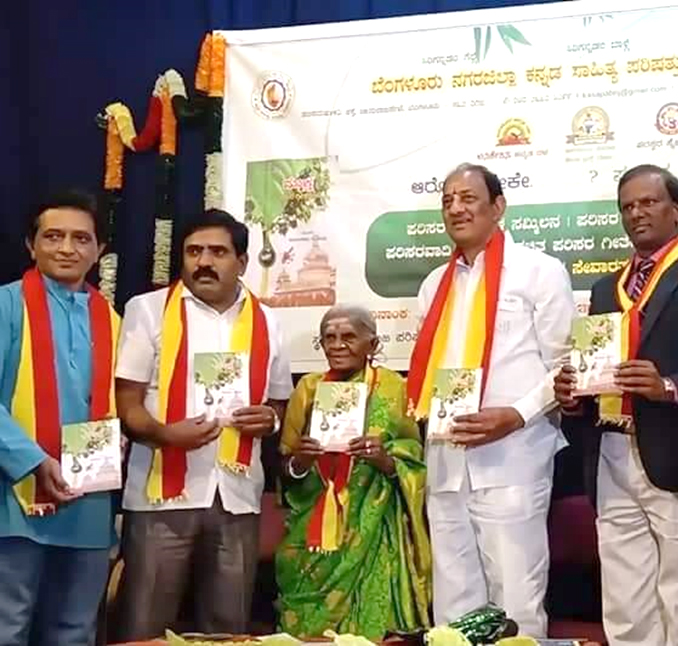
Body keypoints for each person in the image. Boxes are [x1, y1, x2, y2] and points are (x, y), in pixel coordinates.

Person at [553, 164, 678, 646]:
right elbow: (599, 368)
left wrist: (670, 387)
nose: (636, 213)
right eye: (627, 206)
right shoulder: (606, 288)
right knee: (624, 602)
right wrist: (575, 394)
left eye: (648, 202)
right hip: (611, 452)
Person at [408, 163, 574, 636]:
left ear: (498, 206)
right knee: (453, 597)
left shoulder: (539, 271)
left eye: (468, 198)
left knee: (516, 596)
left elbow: (566, 366)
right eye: (447, 200)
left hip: (513, 455)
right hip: (446, 456)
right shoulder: (433, 285)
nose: (456, 208)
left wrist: (515, 416)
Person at [114, 209, 293, 640]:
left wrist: (270, 419)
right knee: (145, 628)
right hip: (161, 495)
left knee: (227, 631)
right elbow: (127, 403)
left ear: (242, 262)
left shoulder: (269, 320)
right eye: (194, 252)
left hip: (236, 496)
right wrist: (164, 435)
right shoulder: (148, 310)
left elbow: (278, 403)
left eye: (217, 252)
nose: (204, 262)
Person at [0, 190, 120, 646]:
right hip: (14, 498)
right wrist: (32, 461)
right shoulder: (6, 306)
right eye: (53, 236)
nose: (67, 248)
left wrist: (121, 437)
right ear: (31, 246)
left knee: (74, 631)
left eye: (81, 238)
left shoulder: (112, 318)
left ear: (99, 249)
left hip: (87, 503)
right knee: (7, 627)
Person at [276, 304, 430, 639]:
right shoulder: (308, 388)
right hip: (315, 527)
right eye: (328, 338)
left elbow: (415, 455)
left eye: (348, 336)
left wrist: (385, 460)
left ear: (372, 344)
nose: (337, 345)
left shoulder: (395, 388)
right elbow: (285, 465)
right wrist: (302, 461)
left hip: (376, 522)